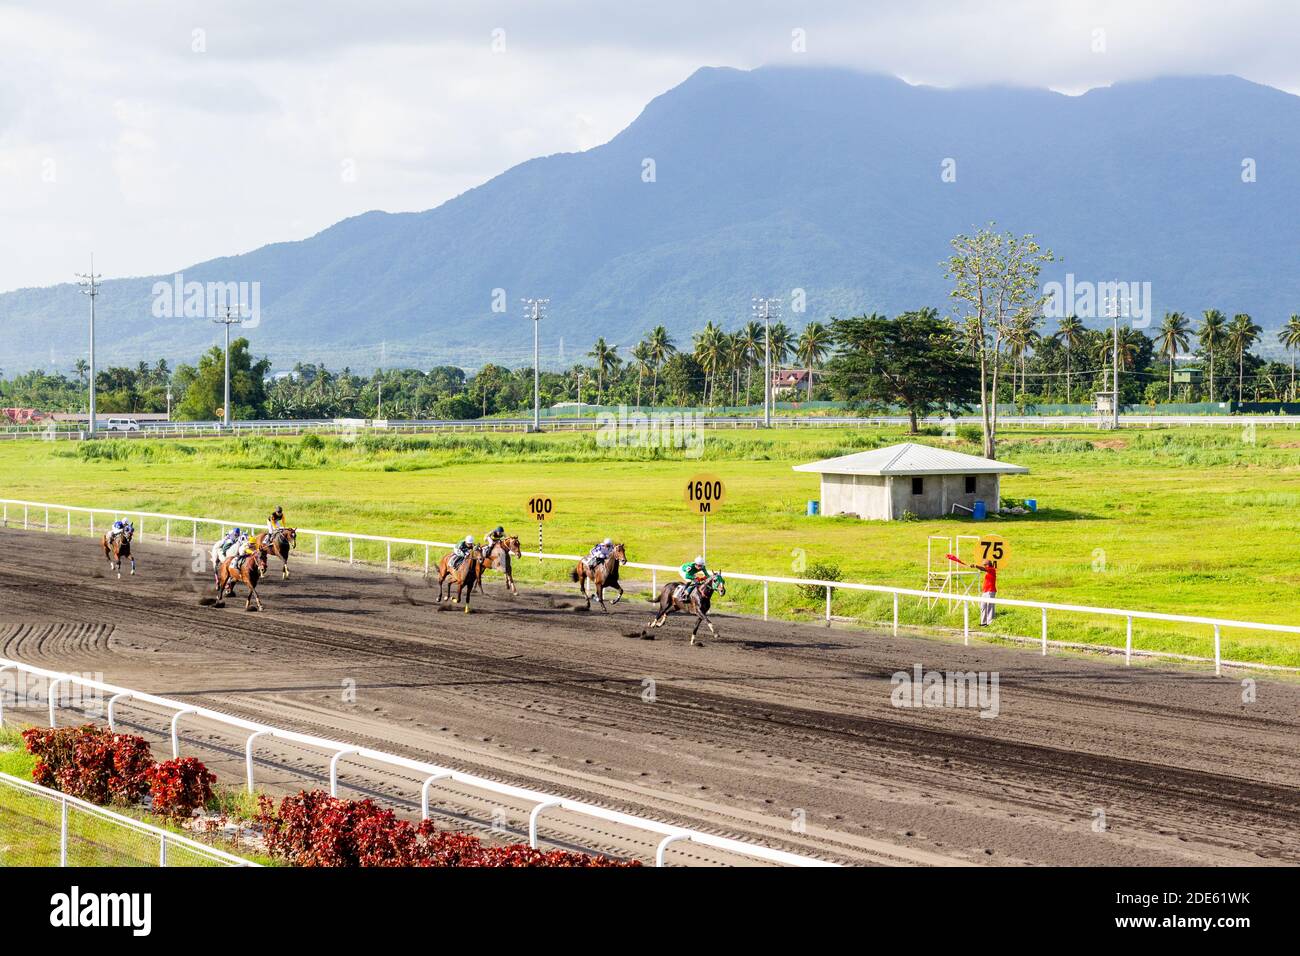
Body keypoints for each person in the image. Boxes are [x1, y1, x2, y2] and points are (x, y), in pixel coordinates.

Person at [949, 554, 998, 626]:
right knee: (983, 606)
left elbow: (982, 569)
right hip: (985, 591)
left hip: (990, 591)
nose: (983, 565)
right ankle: (983, 622)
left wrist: (976, 566)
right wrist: (976, 566)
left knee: (990, 606)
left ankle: (990, 623)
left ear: (987, 565)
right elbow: (982, 568)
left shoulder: (991, 569)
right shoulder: (988, 570)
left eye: (984, 564)